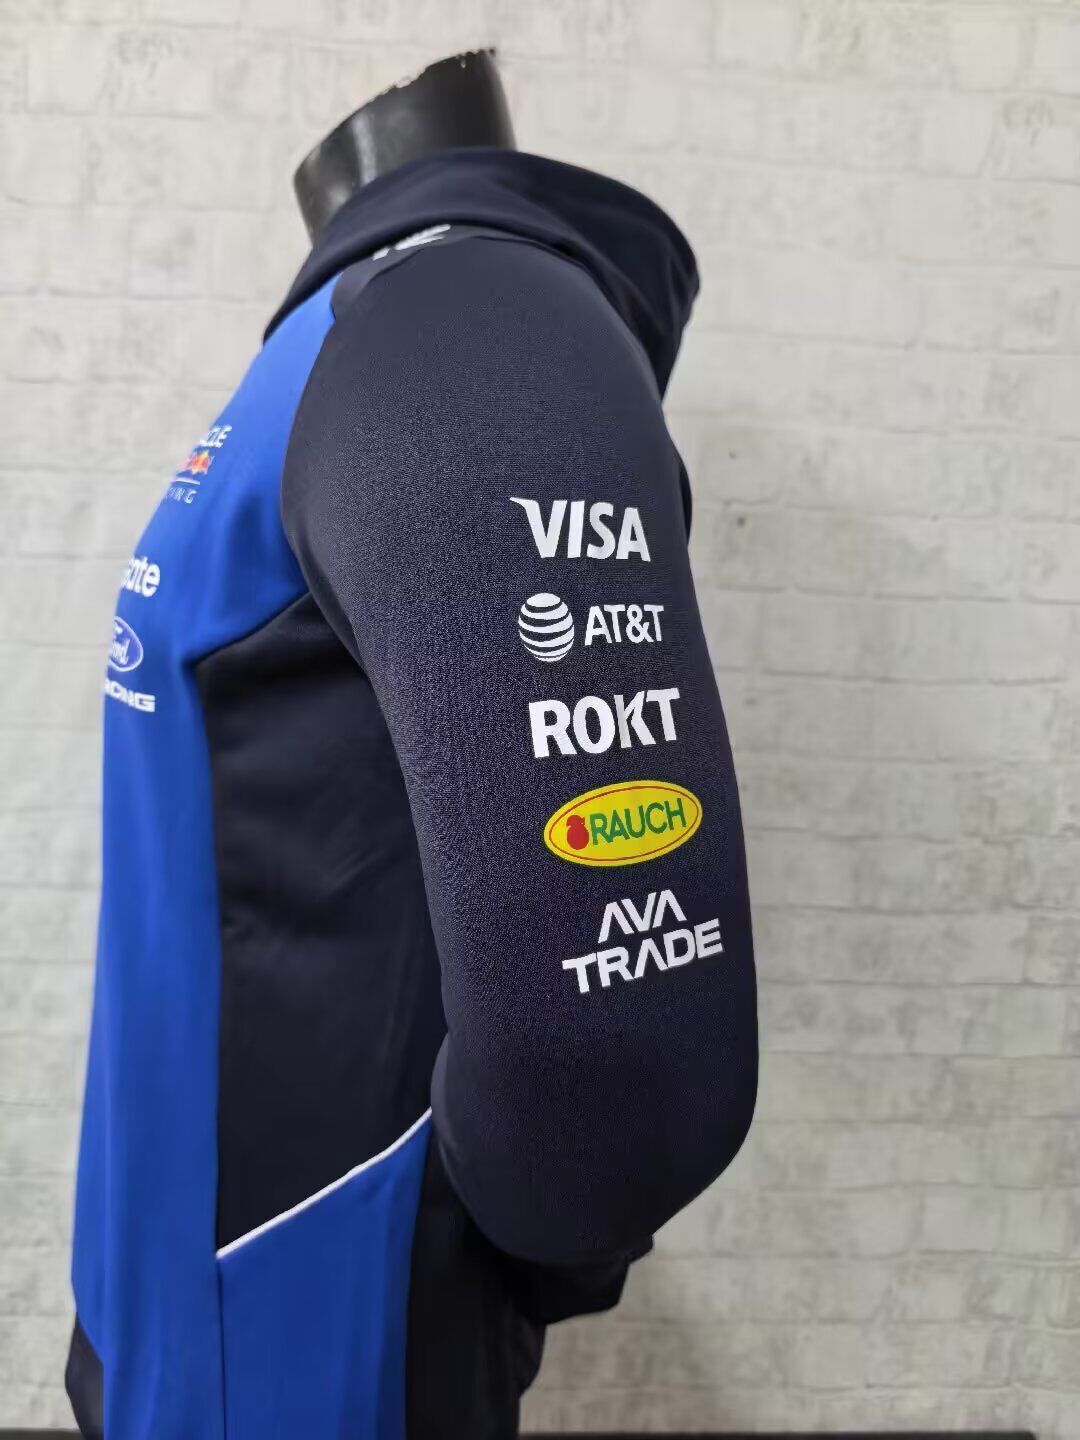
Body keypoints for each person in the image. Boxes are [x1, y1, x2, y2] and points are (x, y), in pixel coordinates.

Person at [68, 50, 758, 1440]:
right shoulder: (336, 347)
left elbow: (616, 1057)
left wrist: (475, 1270)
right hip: (185, 1314)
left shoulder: (465, 331)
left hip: (324, 1336)